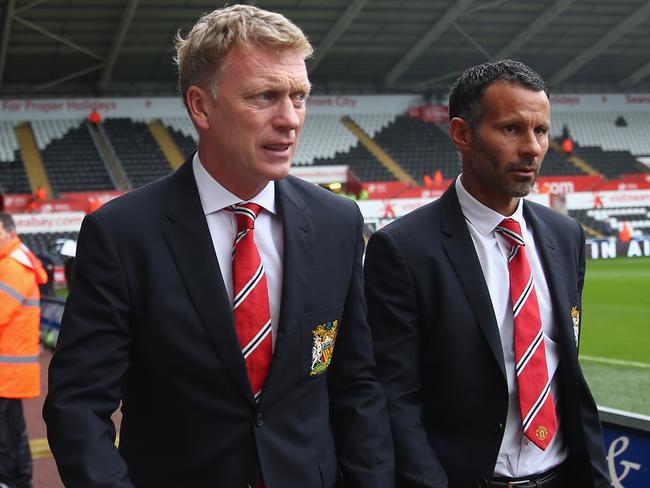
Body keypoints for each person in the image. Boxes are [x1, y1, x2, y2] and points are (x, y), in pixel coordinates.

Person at [44, 5, 393, 488]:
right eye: (264, 96)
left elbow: (355, 383)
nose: (290, 120)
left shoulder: (337, 221)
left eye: (300, 96)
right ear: (200, 106)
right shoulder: (121, 234)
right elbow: (78, 404)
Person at [364, 59, 609, 488]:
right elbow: (395, 398)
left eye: (541, 131)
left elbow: (568, 374)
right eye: (512, 129)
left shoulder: (564, 235)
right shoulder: (403, 249)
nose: (532, 147)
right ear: (462, 134)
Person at [0, 212, 48, 488]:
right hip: (11, 366)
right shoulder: (14, 261)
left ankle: (11, 479)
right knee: (11, 428)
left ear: (9, 232)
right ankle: (17, 478)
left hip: (8, 367)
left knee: (6, 431)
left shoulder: (12, 266)